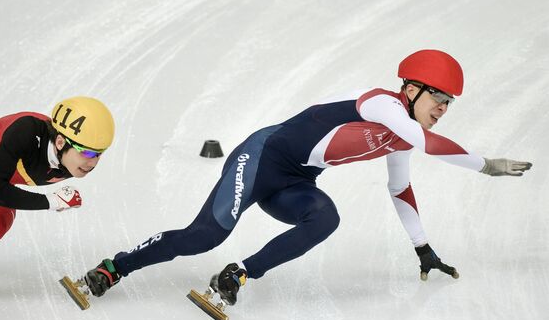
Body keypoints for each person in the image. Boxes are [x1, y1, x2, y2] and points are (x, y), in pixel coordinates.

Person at [83, 50, 532, 306]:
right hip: (260, 158)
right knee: (204, 236)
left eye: (450, 103)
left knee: (325, 218)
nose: (443, 109)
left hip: (295, 182)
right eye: (439, 97)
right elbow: (432, 144)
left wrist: (424, 249)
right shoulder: (381, 104)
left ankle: (237, 277)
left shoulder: (402, 137)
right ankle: (114, 267)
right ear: (411, 90)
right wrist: (486, 165)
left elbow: (399, 188)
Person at [0, 97, 115, 241]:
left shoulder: (74, 162)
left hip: (5, 178)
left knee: (2, 217)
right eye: (87, 152)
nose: (93, 162)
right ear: (60, 143)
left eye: (100, 153)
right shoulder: (24, 133)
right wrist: (52, 201)